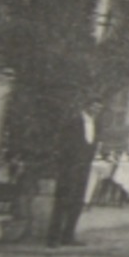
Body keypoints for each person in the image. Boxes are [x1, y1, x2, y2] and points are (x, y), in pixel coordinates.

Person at [47, 95, 101, 247]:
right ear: (87, 106)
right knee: (63, 201)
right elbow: (64, 144)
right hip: (70, 166)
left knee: (77, 201)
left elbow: (92, 144)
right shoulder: (74, 122)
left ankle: (68, 236)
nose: (96, 110)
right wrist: (68, 163)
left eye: (99, 108)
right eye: (94, 107)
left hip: (84, 167)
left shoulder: (95, 124)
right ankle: (53, 238)